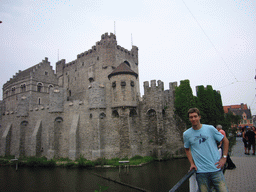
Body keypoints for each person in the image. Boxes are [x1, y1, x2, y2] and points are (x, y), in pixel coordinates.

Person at [183, 108, 229, 192]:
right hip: (201, 172)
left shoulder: (210, 129)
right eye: (191, 117)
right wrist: (192, 163)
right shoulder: (186, 134)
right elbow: (187, 149)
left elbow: (225, 140)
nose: (193, 119)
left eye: (195, 116)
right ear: (189, 119)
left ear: (199, 117)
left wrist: (224, 157)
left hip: (216, 169)